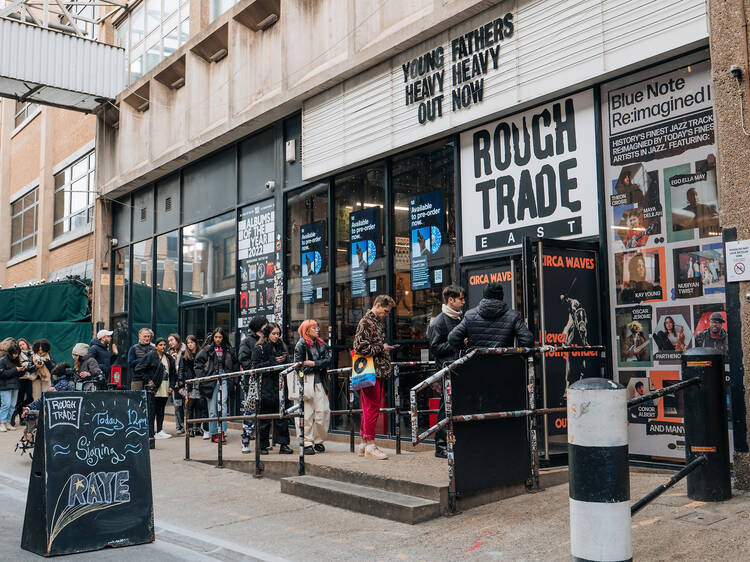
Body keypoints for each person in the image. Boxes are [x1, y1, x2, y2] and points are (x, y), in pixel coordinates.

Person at [353, 295, 396, 460]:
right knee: (372, 408)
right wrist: (382, 347)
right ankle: (370, 445)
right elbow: (359, 347)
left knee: (368, 408)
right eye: (385, 311)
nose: (386, 314)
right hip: (373, 371)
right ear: (378, 305)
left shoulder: (372, 322)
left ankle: (364, 443)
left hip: (373, 370)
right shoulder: (367, 322)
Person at [426, 285, 465, 458]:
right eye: (461, 299)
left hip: (458, 368)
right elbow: (434, 348)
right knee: (445, 408)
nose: (464, 302)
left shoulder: (459, 318)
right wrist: (457, 343)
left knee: (456, 407)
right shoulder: (439, 322)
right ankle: (440, 446)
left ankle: (453, 443)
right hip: (447, 369)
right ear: (451, 300)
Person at [448, 283, 534, 351]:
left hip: (476, 366)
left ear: (485, 295)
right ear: (501, 296)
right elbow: (527, 340)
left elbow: (452, 338)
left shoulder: (470, 315)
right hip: (505, 366)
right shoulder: (513, 316)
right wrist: (516, 355)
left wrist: (466, 349)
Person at [252, 323, 293, 455]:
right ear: (267, 334)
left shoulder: (282, 346)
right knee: (264, 417)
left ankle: (283, 444)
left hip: (280, 385)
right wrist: (273, 362)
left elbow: (289, 364)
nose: (276, 336)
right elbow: (255, 368)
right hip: (265, 385)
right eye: (273, 334)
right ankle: (262, 445)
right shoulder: (260, 349)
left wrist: (284, 361)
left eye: (278, 334)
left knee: (283, 416)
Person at [294, 319, 331, 455]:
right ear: (306, 330)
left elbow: (328, 361)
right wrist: (315, 366)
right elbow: (298, 367)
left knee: (324, 412)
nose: (317, 330)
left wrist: (313, 364)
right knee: (306, 414)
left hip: (319, 382)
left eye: (317, 327)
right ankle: (307, 442)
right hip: (305, 383)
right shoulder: (301, 345)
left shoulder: (321, 344)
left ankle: (318, 440)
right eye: (314, 328)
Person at [195, 327, 236, 443]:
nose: (218, 339)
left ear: (224, 338)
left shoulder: (228, 349)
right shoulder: (207, 350)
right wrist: (203, 378)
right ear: (213, 337)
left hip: (224, 378)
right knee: (212, 408)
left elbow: (235, 364)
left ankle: (222, 432)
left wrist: (233, 380)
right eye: (216, 337)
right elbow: (197, 363)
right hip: (211, 379)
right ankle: (214, 433)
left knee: (223, 405)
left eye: (220, 337)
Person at [135, 338, 176, 439]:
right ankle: (150, 432)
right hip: (154, 388)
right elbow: (139, 369)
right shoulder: (150, 356)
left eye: (164, 345)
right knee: (152, 410)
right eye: (160, 345)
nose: (163, 347)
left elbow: (173, 374)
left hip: (165, 387)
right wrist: (148, 380)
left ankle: (160, 430)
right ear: (156, 346)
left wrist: (171, 386)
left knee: (161, 409)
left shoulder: (168, 358)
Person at [239, 316, 268, 452]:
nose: (267, 326)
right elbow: (242, 359)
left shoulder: (268, 340)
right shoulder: (247, 341)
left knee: (264, 413)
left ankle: (263, 442)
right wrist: (254, 368)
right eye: (265, 325)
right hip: (252, 383)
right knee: (250, 412)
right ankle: (245, 441)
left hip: (267, 382)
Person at [180, 335, 202, 437]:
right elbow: (181, 370)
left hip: (200, 381)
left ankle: (197, 427)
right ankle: (189, 428)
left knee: (199, 405)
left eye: (191, 342)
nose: (190, 345)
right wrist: (181, 384)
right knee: (189, 406)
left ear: (195, 343)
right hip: (189, 383)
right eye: (188, 343)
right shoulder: (184, 355)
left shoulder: (201, 353)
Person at [12, 338, 36, 427]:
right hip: (21, 378)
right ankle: (20, 418)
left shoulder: (32, 353)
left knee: (30, 398)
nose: (22, 346)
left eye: (23, 344)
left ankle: (15, 411)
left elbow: (33, 367)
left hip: (29, 378)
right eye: (20, 345)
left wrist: (33, 366)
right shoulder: (18, 355)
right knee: (20, 399)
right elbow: (21, 367)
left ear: (26, 344)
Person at [0, 343, 23, 432]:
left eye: (17, 353)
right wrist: (15, 370)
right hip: (5, 386)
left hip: (15, 385)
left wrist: (22, 370)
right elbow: (2, 374)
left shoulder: (17, 360)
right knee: (6, 405)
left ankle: (8, 422)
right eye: (14, 353)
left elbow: (19, 374)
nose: (16, 355)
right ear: (10, 352)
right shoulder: (2, 361)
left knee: (13, 405)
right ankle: (2, 423)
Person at [167, 333, 186, 435]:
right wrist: (172, 361)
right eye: (169, 341)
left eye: (172, 340)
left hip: (185, 382)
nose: (170, 343)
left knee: (187, 405)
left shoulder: (184, 350)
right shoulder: (169, 353)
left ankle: (192, 427)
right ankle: (179, 426)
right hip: (175, 383)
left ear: (177, 340)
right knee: (177, 405)